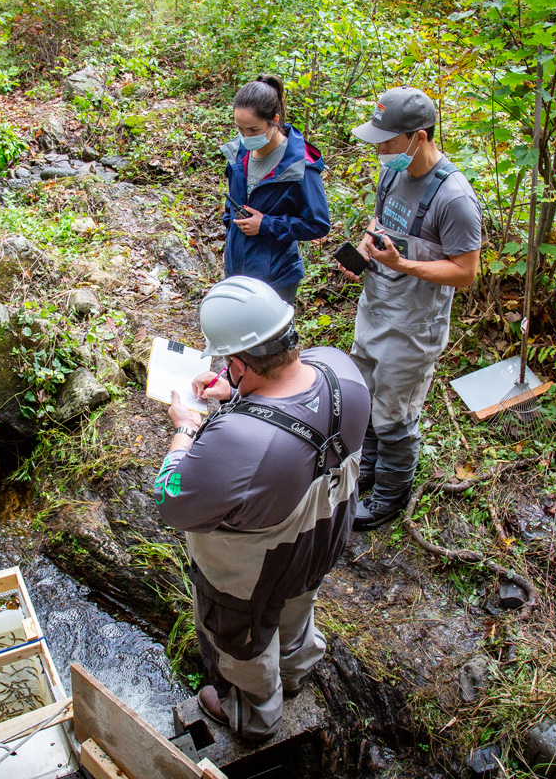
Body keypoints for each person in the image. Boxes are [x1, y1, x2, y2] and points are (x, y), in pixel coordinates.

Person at [152, 276, 369, 741]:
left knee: (241, 643)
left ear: (238, 361)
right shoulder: (341, 370)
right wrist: (234, 395)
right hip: (322, 540)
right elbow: (294, 410)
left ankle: (255, 714)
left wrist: (186, 428)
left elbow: (171, 500)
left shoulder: (238, 441)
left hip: (251, 574)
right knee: (297, 606)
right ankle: (294, 673)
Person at [339, 86, 482, 531]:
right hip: (376, 306)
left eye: (386, 141)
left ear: (418, 137)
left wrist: (403, 264)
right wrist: (365, 249)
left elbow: (465, 271)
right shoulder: (391, 173)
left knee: (394, 415)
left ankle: (389, 499)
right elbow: (379, 223)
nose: (379, 149)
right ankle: (365, 475)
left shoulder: (454, 198)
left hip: (414, 326)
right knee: (364, 398)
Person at [222, 75, 331, 305]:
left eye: (253, 129)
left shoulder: (299, 166)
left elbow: (318, 223)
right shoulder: (238, 154)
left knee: (268, 342)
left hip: (276, 279)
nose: (245, 137)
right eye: (240, 129)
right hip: (236, 273)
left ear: (274, 120)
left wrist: (266, 225)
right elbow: (230, 207)